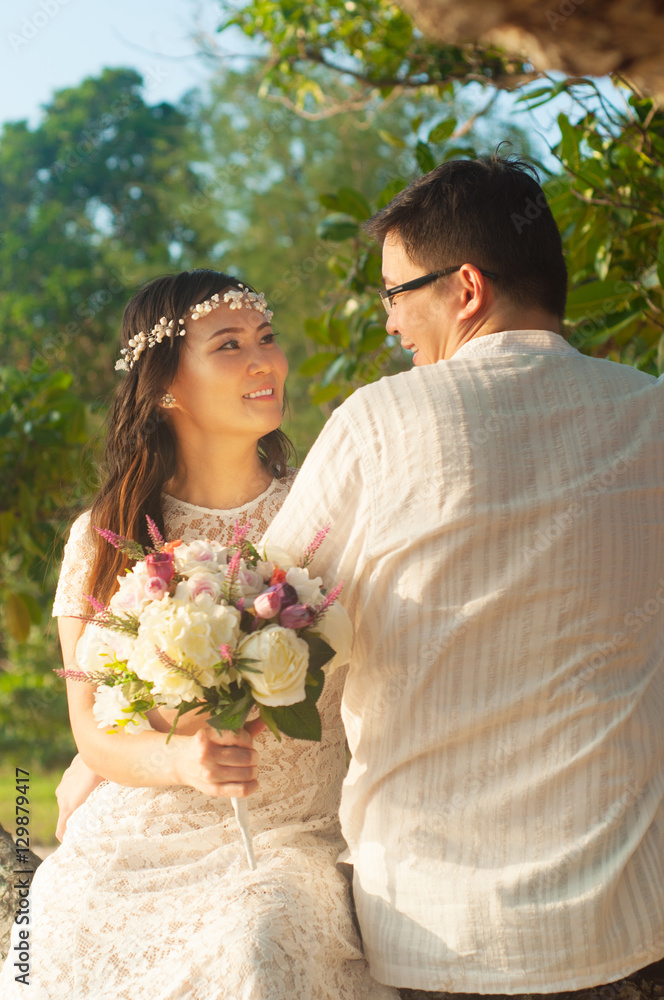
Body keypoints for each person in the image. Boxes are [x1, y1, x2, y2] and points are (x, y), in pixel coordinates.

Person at [262, 154, 664, 999]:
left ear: (466, 289)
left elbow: (263, 623)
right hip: (632, 926)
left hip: (441, 931)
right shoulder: (653, 415)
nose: (391, 325)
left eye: (396, 294)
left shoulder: (379, 423)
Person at [0, 269, 397, 1000]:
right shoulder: (104, 537)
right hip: (140, 828)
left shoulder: (325, 517)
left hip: (286, 831)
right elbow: (92, 732)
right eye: (229, 344)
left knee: (256, 951)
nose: (264, 361)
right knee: (62, 933)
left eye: (267, 338)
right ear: (165, 388)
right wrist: (180, 759)